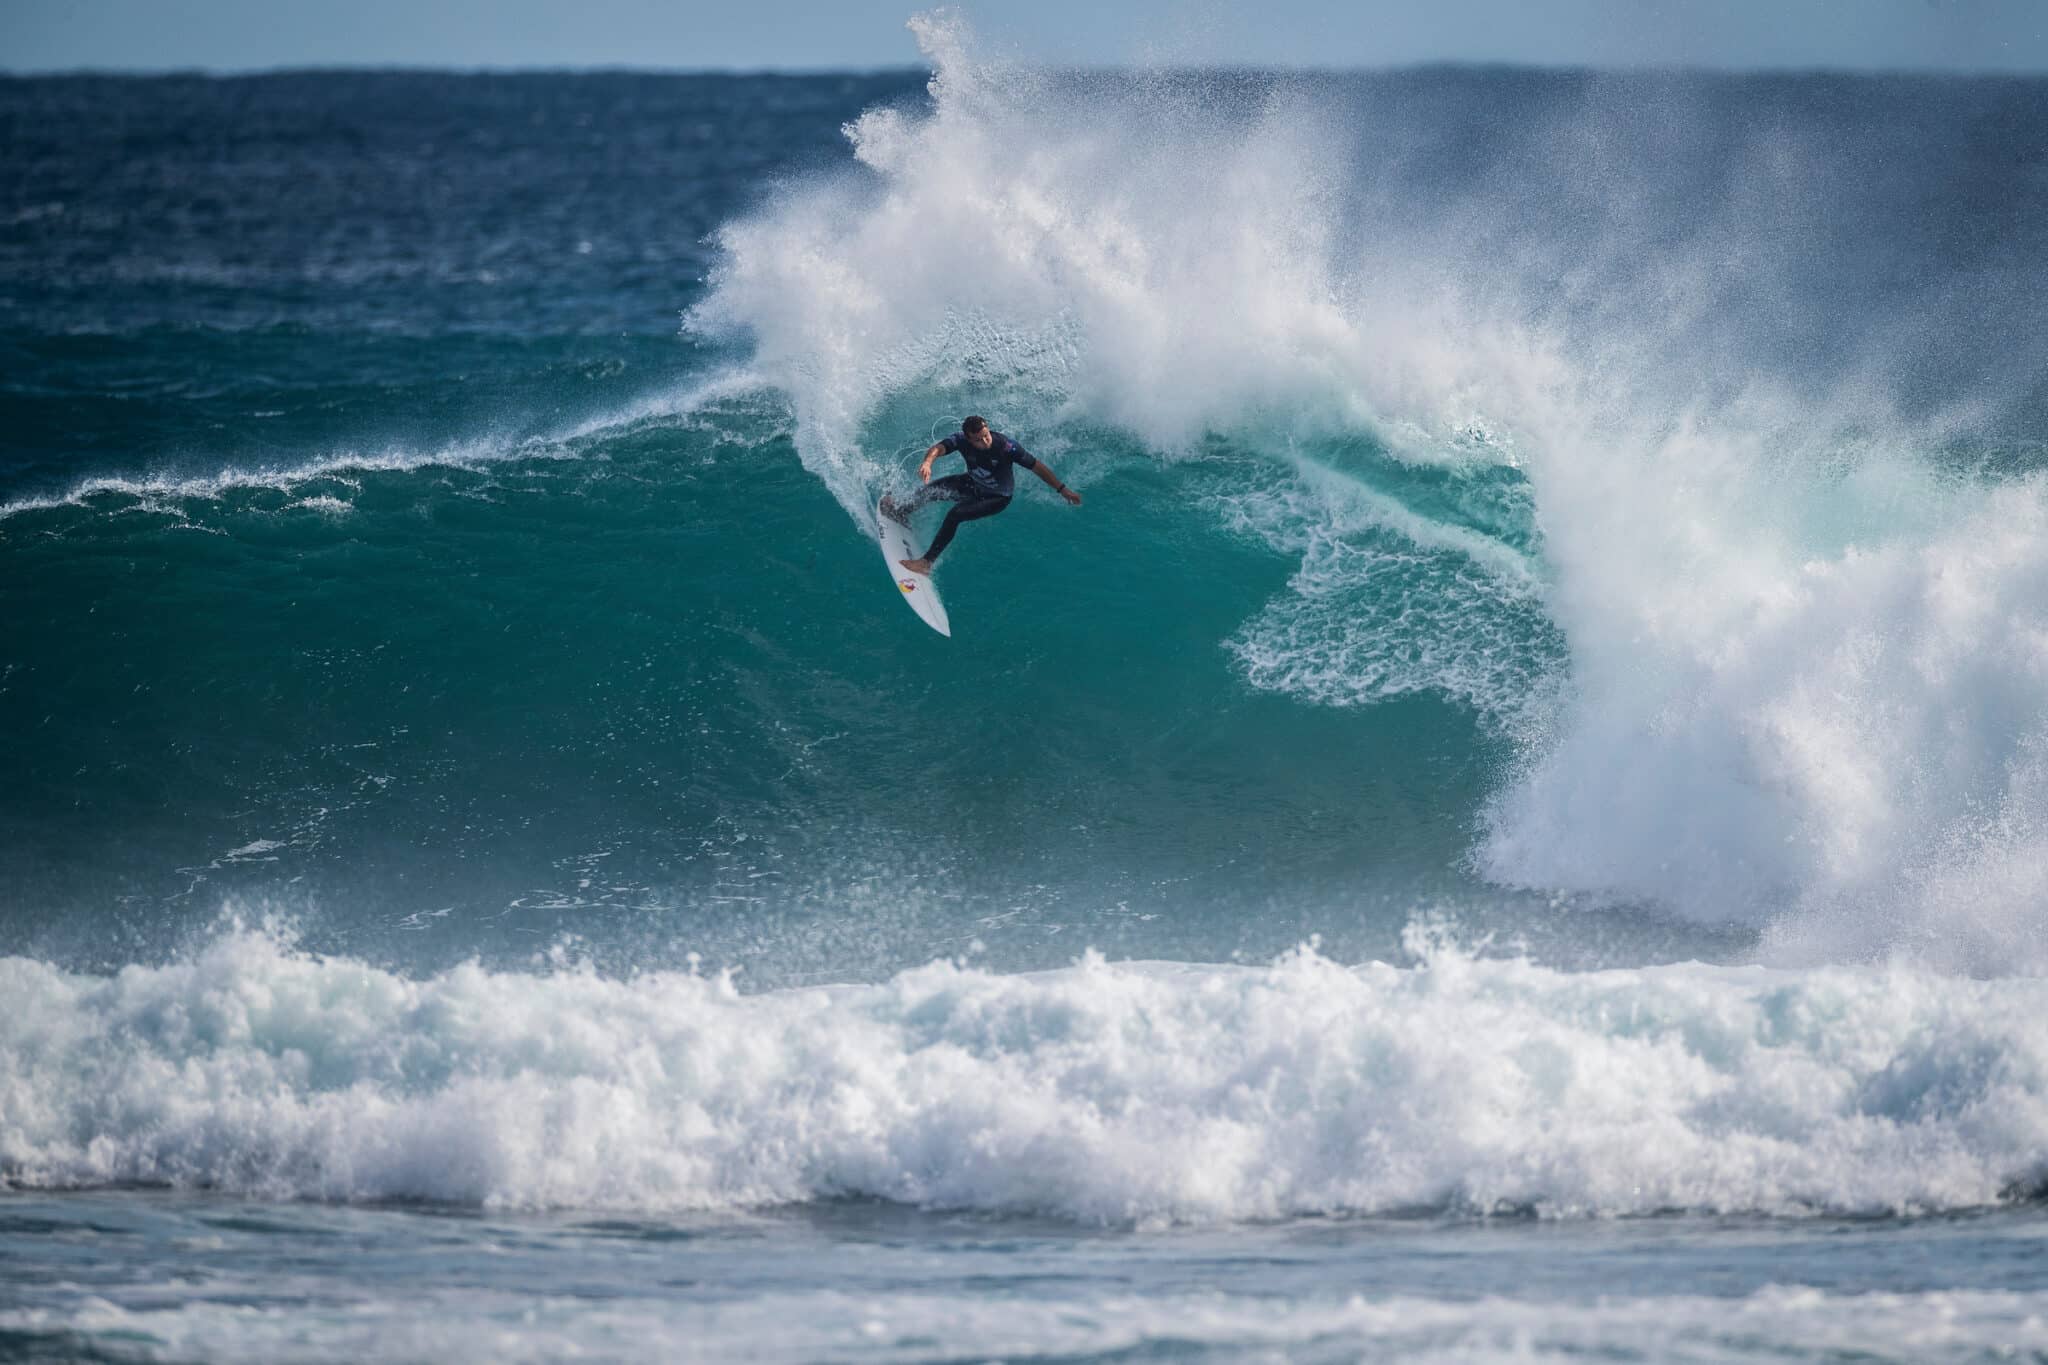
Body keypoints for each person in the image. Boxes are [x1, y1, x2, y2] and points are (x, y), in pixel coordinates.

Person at [881, 416, 1081, 574]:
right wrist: (927, 463)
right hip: (973, 483)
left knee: (955, 515)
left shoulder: (1006, 447)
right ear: (968, 438)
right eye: (978, 439)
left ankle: (926, 563)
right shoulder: (961, 440)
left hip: (996, 498)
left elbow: (1037, 467)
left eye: (986, 435)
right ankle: (901, 511)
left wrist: (1062, 490)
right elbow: (939, 448)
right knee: (934, 489)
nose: (985, 441)